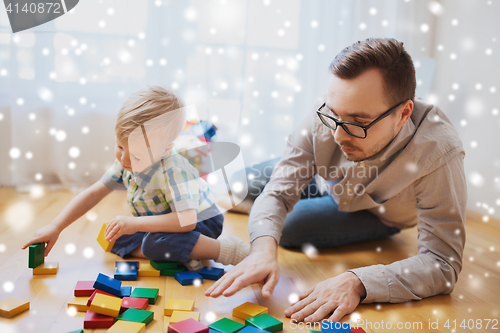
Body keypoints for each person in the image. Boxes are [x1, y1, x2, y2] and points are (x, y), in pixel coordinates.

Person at [205, 38, 467, 323]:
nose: (339, 135)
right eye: (334, 114)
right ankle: (295, 195)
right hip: (325, 181)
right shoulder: (327, 116)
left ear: (403, 114)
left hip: (376, 213)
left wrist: (358, 281)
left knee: (291, 228)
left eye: (357, 122)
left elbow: (442, 264)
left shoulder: (439, 151)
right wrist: (262, 250)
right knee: (243, 184)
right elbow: (279, 193)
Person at [22, 85, 250, 270]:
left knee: (153, 243)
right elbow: (93, 193)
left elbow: (186, 220)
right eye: (120, 146)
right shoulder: (126, 162)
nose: (125, 159)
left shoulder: (175, 171)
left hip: (199, 222)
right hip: (164, 222)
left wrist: (136, 223)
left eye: (137, 155)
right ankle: (181, 253)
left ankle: (225, 249)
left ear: (164, 149)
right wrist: (55, 227)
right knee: (112, 235)